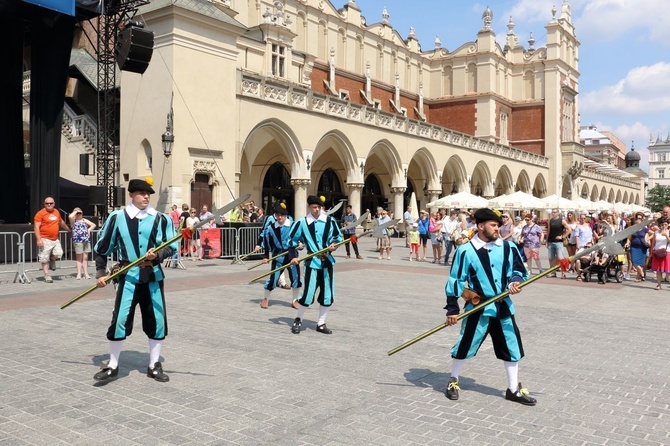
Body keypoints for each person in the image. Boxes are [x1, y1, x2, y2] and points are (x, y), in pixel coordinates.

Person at [444, 208, 535, 406]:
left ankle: (513, 390)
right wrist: (452, 309)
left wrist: (514, 282)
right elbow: (455, 280)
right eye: (493, 225)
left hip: (503, 307)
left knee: (512, 346)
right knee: (466, 343)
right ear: (480, 226)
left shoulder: (508, 248)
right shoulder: (465, 251)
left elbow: (519, 270)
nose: (497, 229)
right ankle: (453, 380)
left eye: (498, 225)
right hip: (479, 307)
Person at [92, 178, 178, 382]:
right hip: (127, 278)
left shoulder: (161, 219)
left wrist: (157, 255)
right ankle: (112, 365)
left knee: (156, 320)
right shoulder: (117, 217)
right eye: (141, 193)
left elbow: (171, 247)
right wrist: (100, 273)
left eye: (148, 193)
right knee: (120, 319)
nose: (146, 196)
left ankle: (154, 364)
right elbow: (102, 247)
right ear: (131, 195)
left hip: (153, 278)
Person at [288, 195, 343, 334]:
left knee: (327, 294)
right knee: (308, 293)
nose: (317, 210)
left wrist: (333, 246)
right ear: (309, 207)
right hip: (312, 263)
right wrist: (294, 256)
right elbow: (291, 240)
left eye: (319, 207)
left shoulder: (330, 221)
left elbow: (338, 237)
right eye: (314, 207)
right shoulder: (302, 223)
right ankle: (298, 320)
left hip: (327, 262)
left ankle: (321, 323)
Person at [260, 202, 302, 309]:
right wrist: (266, 256)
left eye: (282, 215)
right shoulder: (271, 228)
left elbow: (299, 237)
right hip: (278, 256)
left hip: (292, 256)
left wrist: (301, 243)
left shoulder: (292, 225)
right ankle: (265, 298)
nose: (279, 217)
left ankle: (295, 300)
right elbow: (266, 242)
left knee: (296, 277)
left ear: (286, 215)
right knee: (273, 279)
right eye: (277, 215)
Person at [34, 196, 70, 283]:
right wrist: (39, 239)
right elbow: (36, 227)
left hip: (55, 239)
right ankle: (47, 275)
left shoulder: (56, 212)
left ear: (54, 204)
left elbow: (61, 222)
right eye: (47, 203)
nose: (49, 205)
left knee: (59, 253)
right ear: (44, 204)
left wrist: (68, 230)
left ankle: (52, 259)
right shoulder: (40, 214)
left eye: (51, 203)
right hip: (45, 239)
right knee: (44, 258)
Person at [68, 207, 96, 279]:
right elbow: (70, 216)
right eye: (77, 213)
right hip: (78, 241)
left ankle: (86, 273)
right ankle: (79, 273)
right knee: (79, 258)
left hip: (86, 240)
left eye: (80, 213)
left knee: (85, 257)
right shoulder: (73, 221)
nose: (78, 214)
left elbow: (93, 224)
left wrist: (89, 229)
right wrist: (75, 211)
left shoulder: (84, 220)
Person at [546, 209, 572, 279]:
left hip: (558, 243)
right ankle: (553, 272)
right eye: (552, 212)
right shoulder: (550, 221)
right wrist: (547, 241)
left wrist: (562, 237)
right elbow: (549, 231)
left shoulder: (562, 221)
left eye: (554, 212)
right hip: (551, 241)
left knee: (561, 258)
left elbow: (569, 230)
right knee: (551, 258)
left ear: (558, 213)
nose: (553, 214)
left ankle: (563, 273)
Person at [648, 221, 670, 291]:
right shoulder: (656, 232)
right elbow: (653, 243)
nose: (664, 225)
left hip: (666, 252)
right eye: (662, 224)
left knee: (668, 271)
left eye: (665, 224)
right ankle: (658, 284)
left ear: (668, 225)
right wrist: (651, 251)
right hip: (657, 252)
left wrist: (666, 236)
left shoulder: (669, 232)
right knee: (658, 270)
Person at [629, 215, 649, 282]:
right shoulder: (632, 229)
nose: (637, 221)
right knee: (634, 262)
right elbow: (629, 237)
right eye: (636, 220)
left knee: (640, 263)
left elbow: (653, 234)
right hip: (634, 247)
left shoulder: (644, 229)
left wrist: (647, 238)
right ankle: (642, 275)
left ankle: (638, 278)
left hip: (642, 247)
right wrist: (627, 242)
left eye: (639, 220)